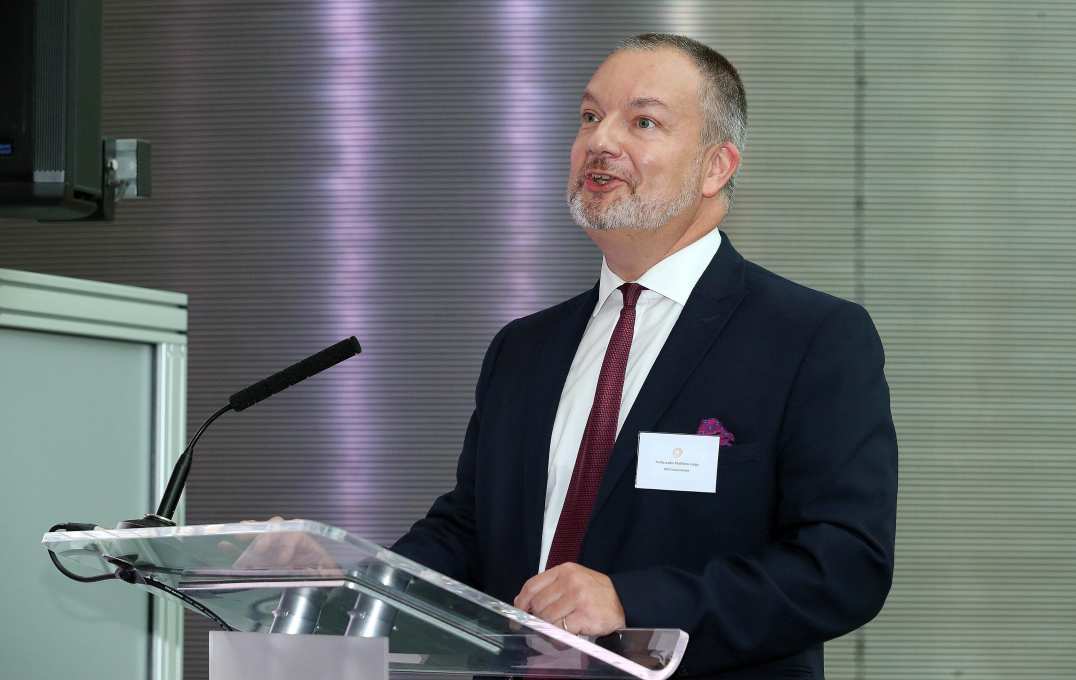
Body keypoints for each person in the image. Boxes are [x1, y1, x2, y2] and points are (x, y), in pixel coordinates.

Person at [391, 33, 897, 679]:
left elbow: (843, 565)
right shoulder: (523, 349)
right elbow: (470, 531)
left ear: (716, 167)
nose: (600, 141)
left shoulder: (810, 338)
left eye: (643, 122)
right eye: (589, 116)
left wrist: (632, 603)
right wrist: (351, 578)